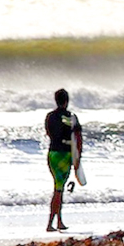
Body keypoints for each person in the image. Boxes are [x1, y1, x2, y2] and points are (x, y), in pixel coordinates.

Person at [45, 88, 81, 232]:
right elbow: (78, 139)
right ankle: (50, 223)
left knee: (58, 188)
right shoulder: (71, 117)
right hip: (64, 156)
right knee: (58, 190)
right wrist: (78, 158)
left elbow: (48, 132)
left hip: (52, 154)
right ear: (66, 101)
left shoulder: (50, 116)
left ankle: (59, 221)